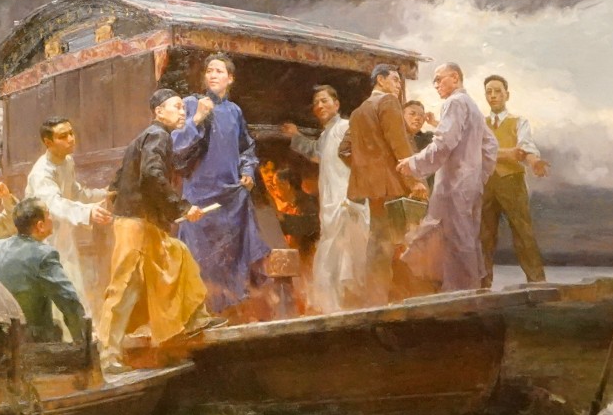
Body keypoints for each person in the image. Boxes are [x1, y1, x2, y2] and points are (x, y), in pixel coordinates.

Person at [95, 89, 213, 372]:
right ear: (159, 112)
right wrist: (181, 207)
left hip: (143, 220)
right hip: (136, 222)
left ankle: (193, 320)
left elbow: (120, 178)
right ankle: (107, 355)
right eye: (177, 107)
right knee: (125, 284)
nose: (183, 112)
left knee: (178, 255)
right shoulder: (158, 135)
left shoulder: (149, 137)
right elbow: (151, 174)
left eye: (184, 108)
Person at [171, 54, 270, 317]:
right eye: (209, 71)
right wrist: (197, 118)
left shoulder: (235, 111)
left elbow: (246, 147)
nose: (213, 75)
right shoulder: (191, 104)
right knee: (199, 259)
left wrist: (247, 170)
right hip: (199, 196)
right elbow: (176, 145)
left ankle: (231, 314)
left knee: (231, 258)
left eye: (219, 71)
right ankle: (200, 315)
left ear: (230, 78)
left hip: (229, 199)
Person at [396, 64, 496, 293]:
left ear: (455, 78)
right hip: (469, 185)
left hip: (454, 185)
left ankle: (461, 293)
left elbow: (443, 144)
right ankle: (466, 290)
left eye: (439, 79)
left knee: (456, 239)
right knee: (465, 237)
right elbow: (491, 145)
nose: (435, 85)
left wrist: (413, 164)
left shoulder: (454, 102)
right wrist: (479, 176)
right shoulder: (472, 106)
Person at [343, 64, 431, 306]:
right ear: (380, 80)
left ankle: (376, 299)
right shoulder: (389, 102)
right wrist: (414, 181)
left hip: (372, 190)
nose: (398, 85)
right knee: (392, 244)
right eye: (394, 79)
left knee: (378, 242)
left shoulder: (358, 112)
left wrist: (369, 170)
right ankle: (383, 301)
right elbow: (399, 143)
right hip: (392, 186)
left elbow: (344, 150)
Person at [284, 85, 368, 313]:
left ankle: (347, 308)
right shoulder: (326, 134)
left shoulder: (345, 127)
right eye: (316, 103)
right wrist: (295, 136)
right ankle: (333, 308)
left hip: (347, 202)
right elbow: (317, 153)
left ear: (336, 104)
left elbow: (361, 160)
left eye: (324, 101)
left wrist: (355, 198)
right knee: (332, 255)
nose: (319, 106)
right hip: (332, 204)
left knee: (346, 256)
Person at [23, 117, 114, 312]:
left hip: (63, 236)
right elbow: (54, 205)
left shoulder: (67, 162)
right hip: (42, 240)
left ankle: (80, 327)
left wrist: (104, 194)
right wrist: (88, 212)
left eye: (71, 133)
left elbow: (75, 193)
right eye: (63, 136)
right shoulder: (41, 173)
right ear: (48, 142)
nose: (71, 139)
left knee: (74, 287)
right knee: (56, 293)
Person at [0, 197, 90, 343]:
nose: (52, 218)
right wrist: (84, 342)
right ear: (40, 226)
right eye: (48, 214)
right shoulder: (43, 255)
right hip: (28, 342)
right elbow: (69, 302)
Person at [479, 74, 550, 287]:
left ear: (507, 95)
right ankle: (482, 286)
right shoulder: (480, 124)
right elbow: (474, 150)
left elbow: (525, 147)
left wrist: (534, 162)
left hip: (512, 182)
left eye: (497, 91)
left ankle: (538, 283)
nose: (493, 96)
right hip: (486, 182)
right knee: (484, 235)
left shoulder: (519, 122)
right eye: (489, 92)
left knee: (523, 232)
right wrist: (507, 154)